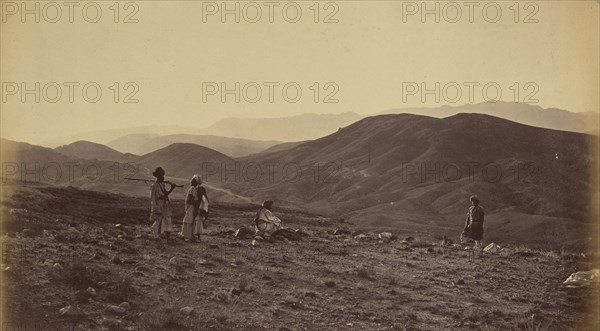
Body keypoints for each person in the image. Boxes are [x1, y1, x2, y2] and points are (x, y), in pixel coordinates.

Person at [149, 166, 177, 245]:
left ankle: (166, 238)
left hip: (164, 205)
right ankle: (156, 237)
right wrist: (155, 207)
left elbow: (165, 195)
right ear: (158, 176)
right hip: (158, 205)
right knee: (158, 221)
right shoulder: (154, 185)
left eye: (163, 176)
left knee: (167, 220)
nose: (163, 177)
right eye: (162, 176)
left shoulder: (161, 184)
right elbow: (153, 198)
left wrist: (172, 188)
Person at [180, 174, 202, 243]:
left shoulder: (193, 189)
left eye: (193, 180)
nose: (191, 181)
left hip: (191, 207)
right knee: (189, 220)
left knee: (189, 220)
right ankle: (188, 236)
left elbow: (191, 199)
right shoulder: (193, 189)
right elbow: (191, 199)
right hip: (191, 207)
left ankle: (187, 235)